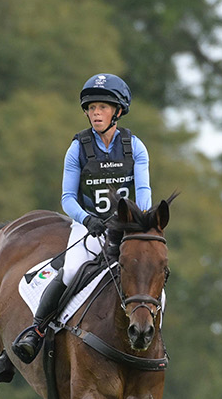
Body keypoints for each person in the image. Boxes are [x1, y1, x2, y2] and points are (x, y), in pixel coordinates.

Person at [10, 73, 152, 364]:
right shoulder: (78, 148)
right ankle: (36, 331)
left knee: (149, 274)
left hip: (127, 228)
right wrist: (87, 220)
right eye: (91, 108)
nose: (95, 113)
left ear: (118, 111)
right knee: (73, 270)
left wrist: (138, 222)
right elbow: (67, 199)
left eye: (102, 107)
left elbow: (144, 192)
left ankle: (153, 334)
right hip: (90, 226)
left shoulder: (134, 147)